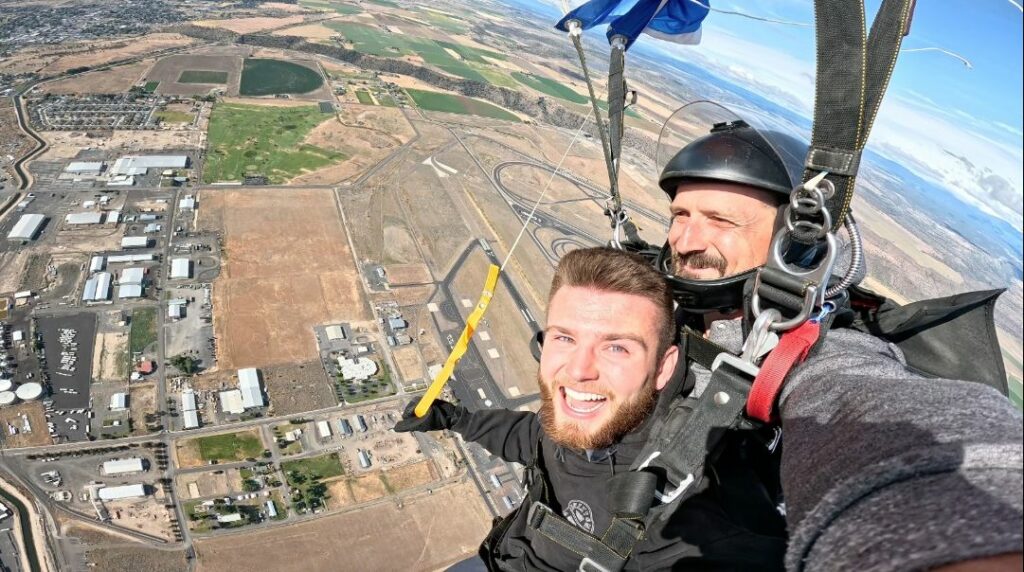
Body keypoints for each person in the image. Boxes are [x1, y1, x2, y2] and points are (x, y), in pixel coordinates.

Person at [654, 120, 1023, 570]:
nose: (685, 240)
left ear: (792, 244)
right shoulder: (666, 303)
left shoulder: (824, 353)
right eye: (680, 214)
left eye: (720, 220)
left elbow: (874, 412)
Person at [397, 247, 789, 571]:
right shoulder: (579, 424)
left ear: (663, 369)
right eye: (564, 338)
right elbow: (530, 437)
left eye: (616, 347)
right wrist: (456, 419)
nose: (579, 370)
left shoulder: (691, 503)